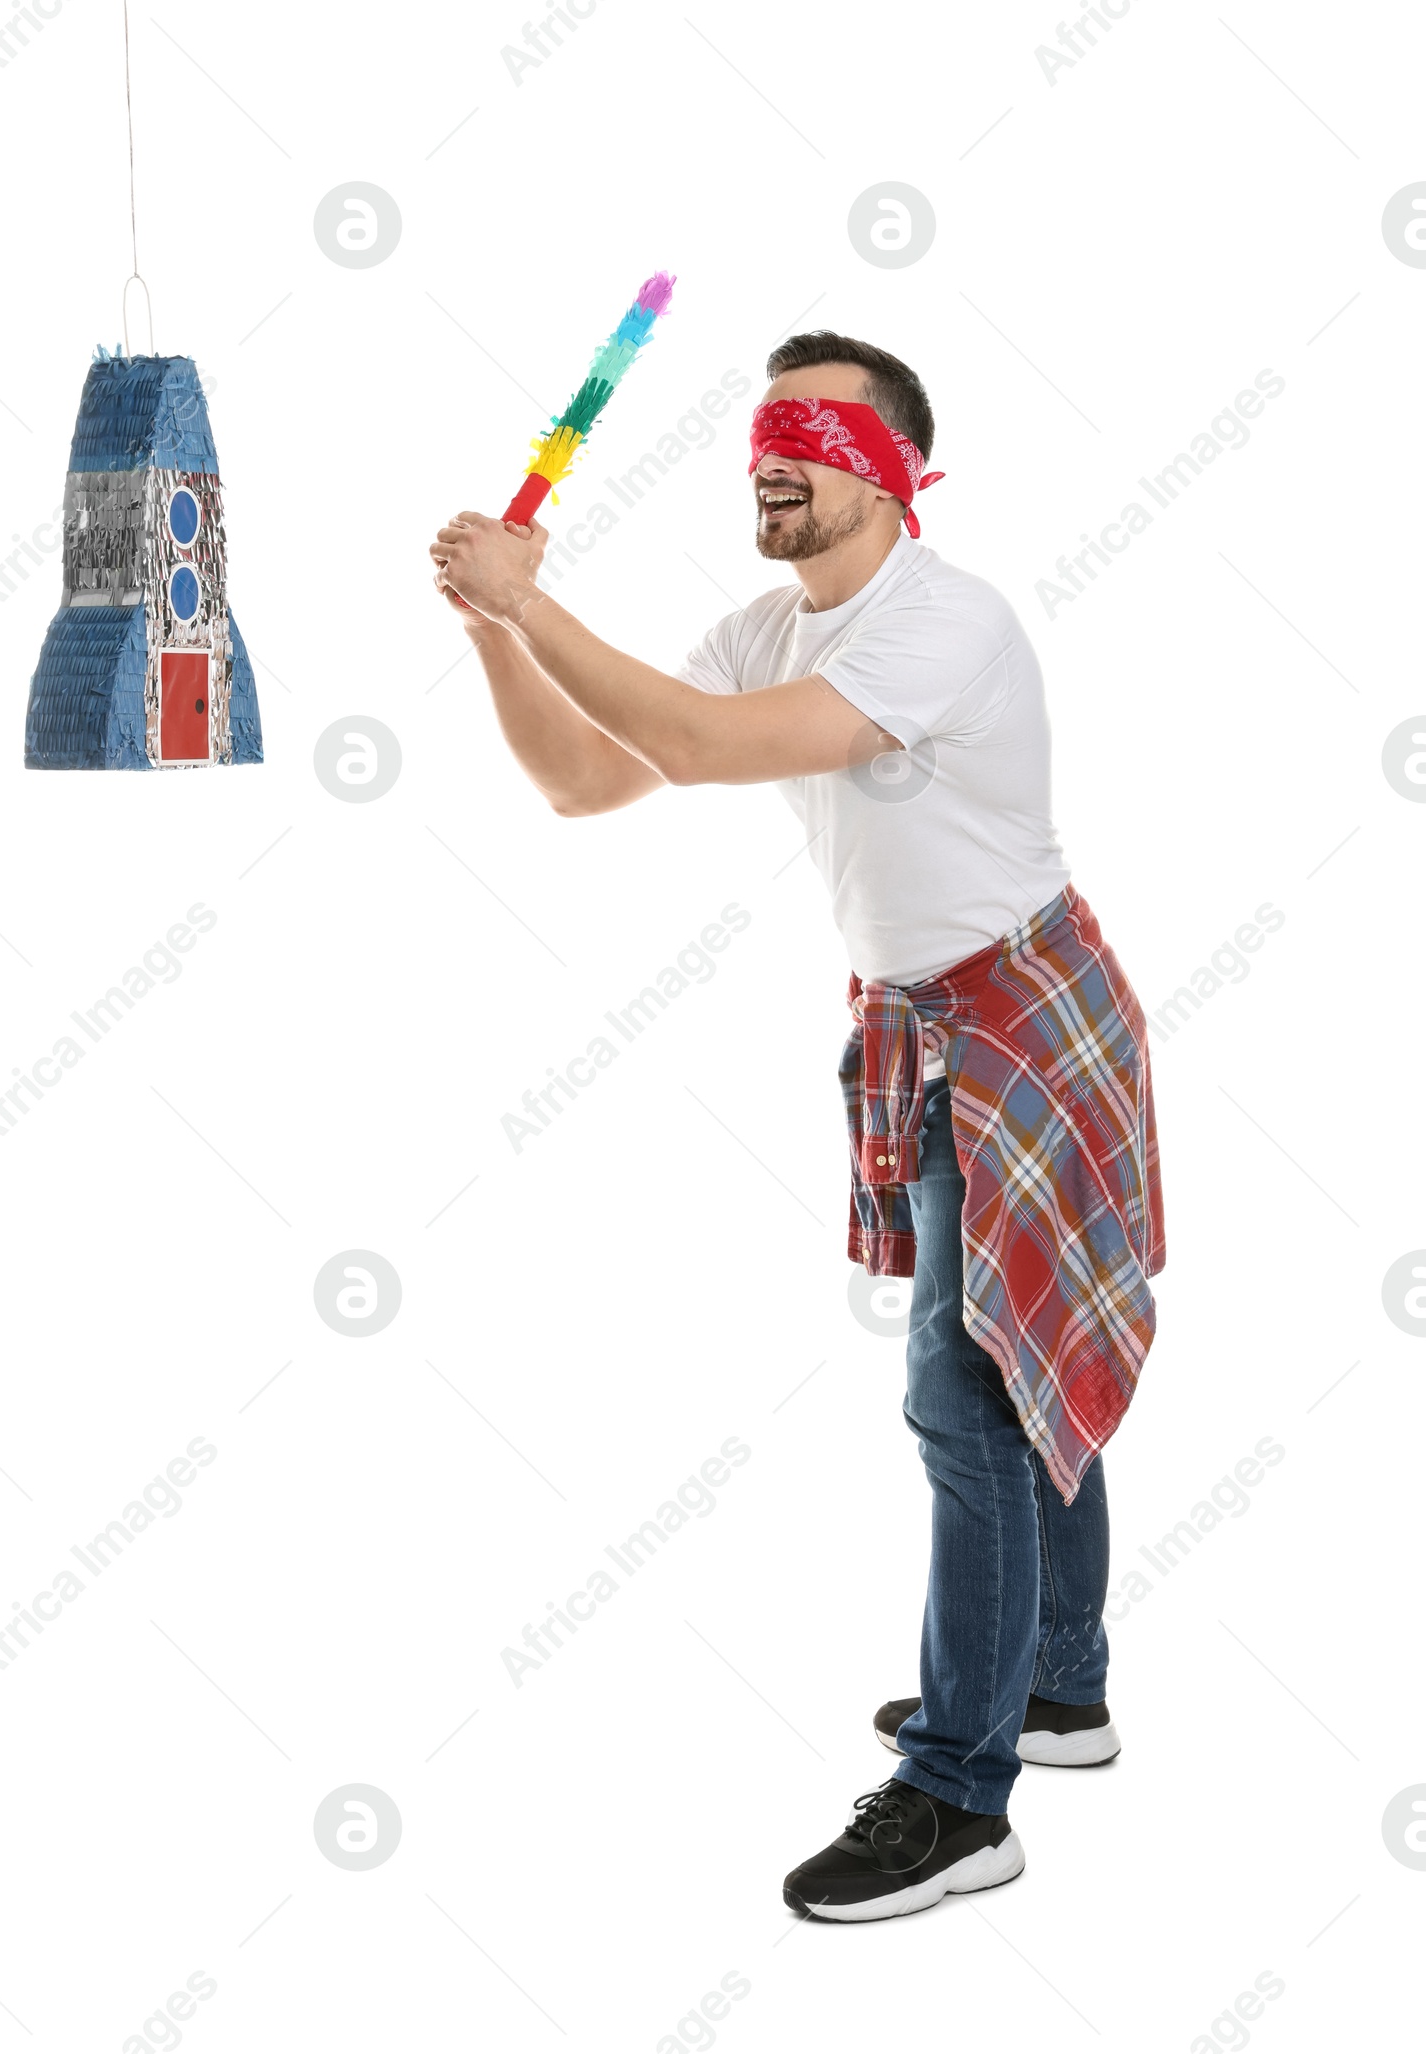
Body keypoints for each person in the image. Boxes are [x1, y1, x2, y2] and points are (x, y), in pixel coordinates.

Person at [429, 330, 1165, 1922]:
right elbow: (582, 778)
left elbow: (697, 754)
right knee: (1019, 1356)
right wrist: (500, 630)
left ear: (894, 467)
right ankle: (1060, 1683)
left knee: (963, 1385)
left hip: (1028, 1012)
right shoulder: (764, 628)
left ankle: (964, 1800)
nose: (773, 454)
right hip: (926, 1016)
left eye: (812, 433)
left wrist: (535, 598)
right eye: (762, 431)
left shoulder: (944, 622)